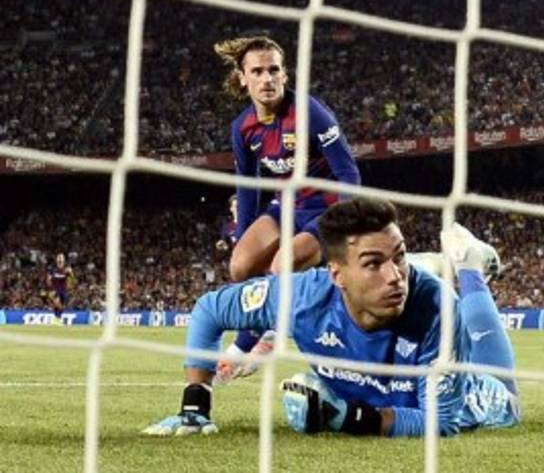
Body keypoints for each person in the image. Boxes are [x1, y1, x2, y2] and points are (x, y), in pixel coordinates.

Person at [141, 198, 519, 438]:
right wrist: (195, 405)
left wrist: (346, 419)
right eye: (374, 263)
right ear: (335, 274)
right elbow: (210, 309)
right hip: (379, 376)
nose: (394, 275)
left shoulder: (437, 309)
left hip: (475, 398)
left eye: (399, 257)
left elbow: (439, 422)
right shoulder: (302, 297)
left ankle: (469, 266)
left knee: (506, 397)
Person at [213, 35, 361, 381]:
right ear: (242, 77)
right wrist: (242, 234)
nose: (267, 78)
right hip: (288, 207)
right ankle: (262, 328)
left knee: (282, 265)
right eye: (258, 71)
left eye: (274, 70)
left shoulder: (311, 112)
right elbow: (249, 189)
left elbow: (347, 172)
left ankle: (258, 339)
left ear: (285, 75)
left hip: (326, 207)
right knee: (239, 266)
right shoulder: (243, 128)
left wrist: (342, 224)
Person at [46, 253, 75, 321]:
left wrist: (71, 273)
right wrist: (49, 280)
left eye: (61, 257)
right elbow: (48, 281)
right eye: (58, 257)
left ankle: (57, 318)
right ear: (56, 259)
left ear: (64, 260)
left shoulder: (67, 269)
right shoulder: (52, 269)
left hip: (63, 290)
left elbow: (73, 280)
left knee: (61, 307)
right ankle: (57, 318)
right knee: (57, 303)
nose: (59, 259)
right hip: (54, 290)